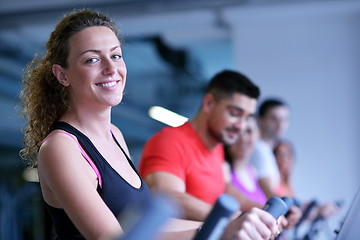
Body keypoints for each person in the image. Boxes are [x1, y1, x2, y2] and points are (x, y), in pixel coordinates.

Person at [19, 9, 282, 240]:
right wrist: (220, 231)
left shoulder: (115, 135)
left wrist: (228, 223)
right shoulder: (60, 148)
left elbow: (151, 224)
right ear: (62, 74)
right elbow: (115, 237)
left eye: (116, 55)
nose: (112, 68)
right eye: (92, 59)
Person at [138, 69, 272, 222]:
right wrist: (235, 219)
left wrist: (263, 211)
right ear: (209, 104)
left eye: (247, 117)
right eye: (235, 114)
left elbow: (224, 189)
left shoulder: (217, 146)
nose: (241, 126)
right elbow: (169, 198)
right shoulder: (169, 141)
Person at [249, 98, 290, 199]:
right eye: (274, 119)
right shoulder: (259, 149)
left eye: (284, 119)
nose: (280, 124)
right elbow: (270, 193)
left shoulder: (268, 150)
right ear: (260, 120)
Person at [224, 116, 268, 206]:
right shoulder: (224, 168)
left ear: (258, 134)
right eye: (238, 131)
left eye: (249, 131)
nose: (243, 138)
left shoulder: (253, 171)